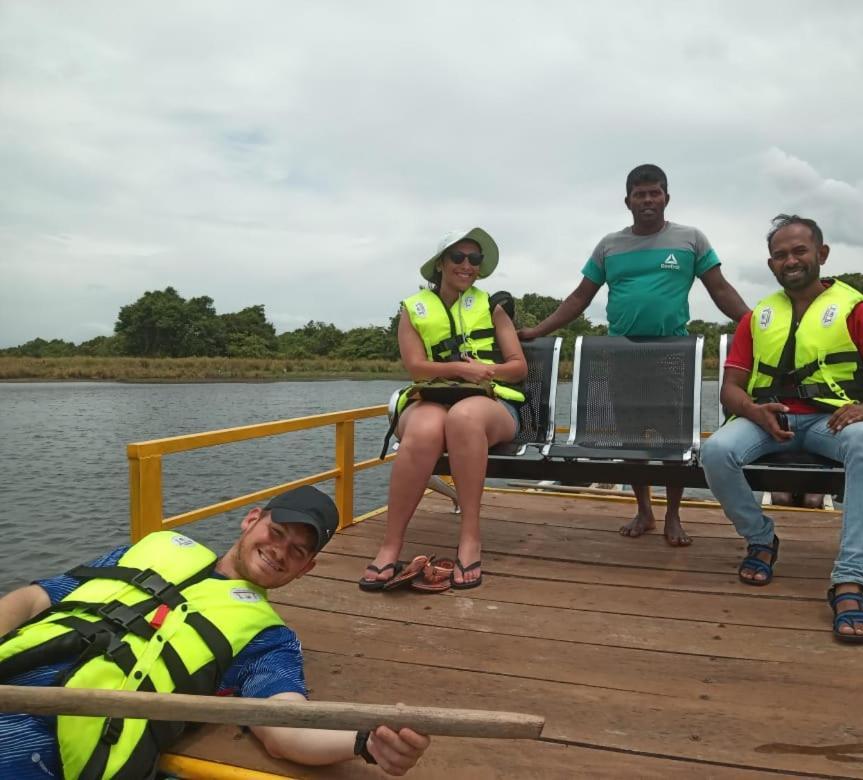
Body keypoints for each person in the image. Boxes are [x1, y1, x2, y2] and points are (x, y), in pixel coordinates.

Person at [0, 485, 430, 777]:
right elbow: (36, 598)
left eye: (298, 551)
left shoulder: (267, 638)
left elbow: (284, 726)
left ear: (307, 569)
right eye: (275, 533)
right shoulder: (157, 546)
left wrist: (366, 742)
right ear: (251, 520)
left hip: (51, 743)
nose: (279, 551)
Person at [699, 214, 863, 644]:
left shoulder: (857, 310)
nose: (790, 260)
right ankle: (761, 539)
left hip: (831, 421)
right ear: (771, 264)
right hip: (769, 420)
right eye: (780, 255)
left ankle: (850, 582)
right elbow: (730, 390)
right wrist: (755, 411)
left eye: (799, 251)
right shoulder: (757, 317)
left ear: (822, 254)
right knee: (716, 452)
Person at [517, 164, 750, 546]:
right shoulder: (610, 245)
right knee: (632, 441)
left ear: (666, 198)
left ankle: (674, 515)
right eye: (640, 194)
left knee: (673, 441)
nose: (647, 200)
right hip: (621, 356)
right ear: (627, 201)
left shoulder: (691, 240)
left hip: (673, 355)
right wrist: (538, 331)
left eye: (654, 193)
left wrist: (756, 323)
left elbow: (721, 290)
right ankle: (644, 510)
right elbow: (579, 297)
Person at [360, 228, 527, 591]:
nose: (467, 265)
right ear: (440, 264)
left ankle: (470, 538)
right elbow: (417, 368)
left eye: (475, 259)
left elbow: (518, 366)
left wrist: (485, 371)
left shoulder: (492, 306)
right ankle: (391, 545)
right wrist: (458, 368)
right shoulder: (412, 309)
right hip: (432, 399)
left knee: (463, 418)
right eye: (458, 257)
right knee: (422, 430)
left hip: (491, 404)